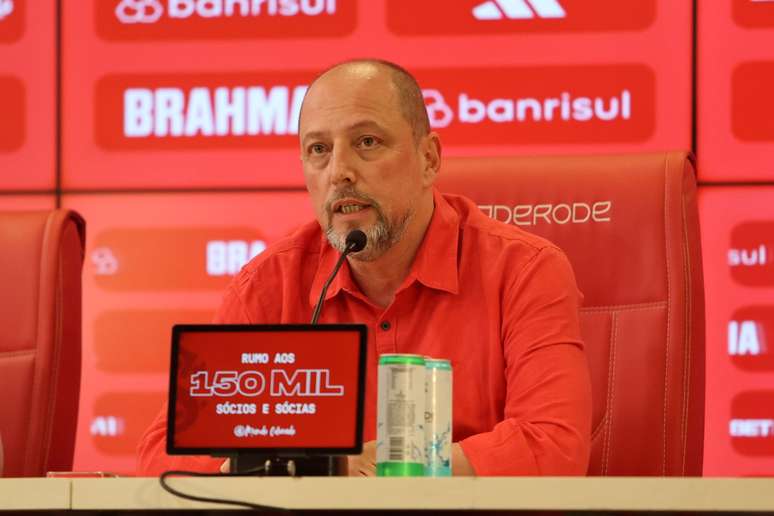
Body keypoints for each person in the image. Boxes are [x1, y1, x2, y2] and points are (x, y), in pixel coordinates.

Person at [137, 59, 591, 476]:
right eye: (319, 149)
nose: (339, 171)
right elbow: (163, 454)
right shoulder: (269, 286)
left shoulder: (524, 271)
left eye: (367, 142)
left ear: (429, 159)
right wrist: (289, 468)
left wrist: (388, 466)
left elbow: (554, 446)